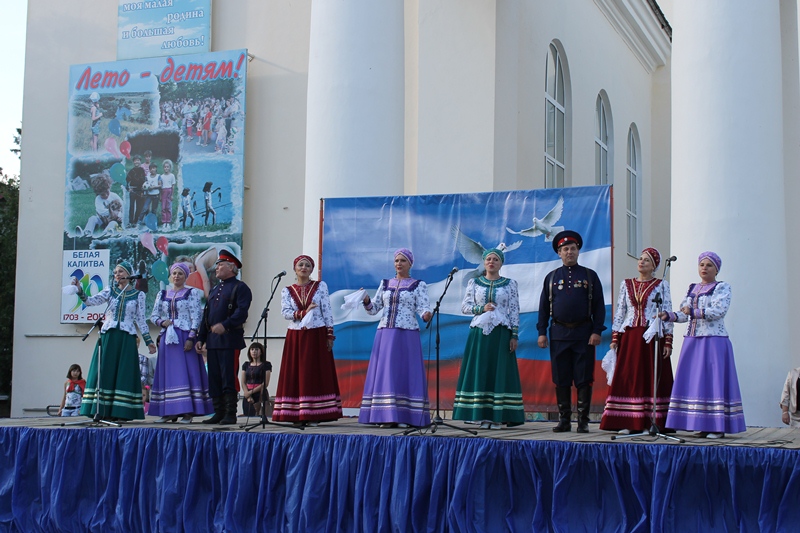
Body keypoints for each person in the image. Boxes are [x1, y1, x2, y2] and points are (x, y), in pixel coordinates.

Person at [661, 252, 745, 438]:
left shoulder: (722, 287)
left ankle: (717, 427)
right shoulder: (692, 288)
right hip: (692, 341)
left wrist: (693, 311)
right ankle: (700, 424)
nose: (704, 268)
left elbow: (718, 311)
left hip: (713, 340)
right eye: (702, 265)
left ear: (716, 269)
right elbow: (684, 314)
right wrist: (669, 315)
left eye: (709, 265)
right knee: (696, 383)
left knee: (712, 381)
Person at [537, 230, 606, 433]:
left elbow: (599, 307)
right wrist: (542, 331)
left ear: (578, 251)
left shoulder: (589, 276)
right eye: (565, 249)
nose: (569, 252)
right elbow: (543, 308)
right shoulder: (551, 278)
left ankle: (583, 421)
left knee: (584, 377)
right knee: (561, 377)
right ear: (559, 253)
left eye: (573, 249)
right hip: (558, 333)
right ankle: (564, 420)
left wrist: (597, 331)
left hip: (583, 334)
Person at [599, 248, 674, 434]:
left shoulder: (661, 285)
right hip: (631, 335)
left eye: (647, 260)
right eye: (640, 259)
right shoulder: (626, 284)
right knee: (630, 377)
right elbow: (620, 311)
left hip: (651, 337)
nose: (641, 262)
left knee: (649, 376)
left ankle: (651, 422)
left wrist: (668, 341)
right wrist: (615, 337)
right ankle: (628, 421)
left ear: (654, 266)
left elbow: (667, 311)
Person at [359, 248, 432, 428]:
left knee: (405, 372)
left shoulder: (418, 285)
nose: (399, 264)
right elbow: (374, 309)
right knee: (386, 372)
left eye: (403, 261)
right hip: (385, 333)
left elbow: (423, 307)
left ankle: (406, 416)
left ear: (410, 264)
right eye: (397, 261)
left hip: (407, 333)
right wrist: (367, 301)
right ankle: (385, 415)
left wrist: (426, 314)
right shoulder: (385, 284)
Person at [75, 261, 156, 420]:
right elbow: (91, 301)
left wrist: (148, 341)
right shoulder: (110, 291)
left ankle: (121, 412)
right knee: (106, 370)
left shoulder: (138, 295)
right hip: (109, 336)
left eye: (120, 272)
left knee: (123, 373)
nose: (116, 275)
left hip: (126, 338)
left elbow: (140, 320)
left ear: (128, 274)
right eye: (115, 272)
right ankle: (102, 410)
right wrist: (79, 290)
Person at [453, 248, 524, 429]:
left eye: (495, 259)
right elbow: (465, 307)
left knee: (498, 371)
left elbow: (514, 310)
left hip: (501, 333)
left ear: (501, 263)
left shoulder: (510, 284)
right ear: (484, 262)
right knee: (480, 370)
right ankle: (479, 415)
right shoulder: (474, 283)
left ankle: (497, 416)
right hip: (479, 332)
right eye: (488, 259)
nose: (491, 262)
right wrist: (481, 309)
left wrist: (514, 335)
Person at [273, 255, 343, 427]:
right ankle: (295, 412)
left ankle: (314, 413)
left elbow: (326, 310)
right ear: (294, 268)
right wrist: (303, 313)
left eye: (307, 265)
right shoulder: (287, 290)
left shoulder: (320, 286)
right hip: (296, 335)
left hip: (317, 333)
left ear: (312, 270)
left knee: (313, 372)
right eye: (300, 265)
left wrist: (329, 334)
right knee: (296, 372)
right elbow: (286, 312)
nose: (303, 268)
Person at [149, 263, 213, 424]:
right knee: (167, 374)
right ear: (170, 275)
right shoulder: (162, 294)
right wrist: (162, 322)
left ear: (185, 277)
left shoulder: (191, 293)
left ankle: (188, 411)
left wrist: (192, 337)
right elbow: (153, 315)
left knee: (186, 372)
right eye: (174, 273)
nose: (176, 276)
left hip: (184, 335)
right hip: (167, 337)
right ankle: (168, 411)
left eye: (180, 274)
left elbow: (196, 316)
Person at [196, 250, 252, 425]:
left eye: (220, 265)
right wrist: (201, 337)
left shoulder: (240, 287)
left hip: (230, 340)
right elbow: (207, 316)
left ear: (231, 268)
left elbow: (241, 313)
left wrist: (225, 325)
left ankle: (230, 413)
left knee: (228, 376)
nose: (217, 268)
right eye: (217, 264)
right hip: (213, 342)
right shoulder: (214, 289)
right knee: (214, 377)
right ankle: (218, 411)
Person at [76, 171, 123, 237]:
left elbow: (122, 207)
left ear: (109, 187)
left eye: (107, 191)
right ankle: (87, 232)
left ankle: (106, 233)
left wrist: (120, 215)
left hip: (113, 220)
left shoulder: (114, 196)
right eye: (103, 194)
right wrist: (114, 213)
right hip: (101, 219)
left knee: (113, 223)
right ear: (97, 193)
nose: (106, 195)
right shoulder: (98, 199)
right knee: (92, 218)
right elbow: (101, 212)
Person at [239, 342, 272, 417]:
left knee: (261, 415)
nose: (254, 351)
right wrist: (247, 394)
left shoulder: (266, 365)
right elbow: (243, 381)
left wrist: (250, 392)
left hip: (260, 394)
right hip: (248, 395)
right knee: (248, 415)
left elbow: (265, 383)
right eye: (252, 349)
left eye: (256, 349)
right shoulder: (246, 365)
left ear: (261, 352)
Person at [125, 155, 146, 228]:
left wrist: (143, 190)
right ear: (133, 162)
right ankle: (130, 222)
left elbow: (144, 180)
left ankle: (135, 221)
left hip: (140, 190)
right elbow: (127, 180)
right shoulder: (131, 171)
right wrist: (128, 188)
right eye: (135, 160)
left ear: (140, 161)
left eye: (138, 160)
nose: (137, 162)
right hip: (133, 190)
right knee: (131, 206)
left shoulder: (142, 170)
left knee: (139, 207)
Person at [159, 159, 176, 228]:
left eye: (167, 167)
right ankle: (164, 221)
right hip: (163, 192)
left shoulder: (172, 176)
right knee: (163, 207)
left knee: (168, 207)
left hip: (169, 191)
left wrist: (172, 195)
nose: (166, 168)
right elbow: (160, 187)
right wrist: (160, 196)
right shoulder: (161, 176)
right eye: (165, 167)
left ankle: (168, 222)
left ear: (170, 167)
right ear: (163, 168)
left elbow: (173, 186)